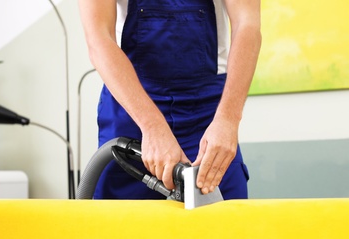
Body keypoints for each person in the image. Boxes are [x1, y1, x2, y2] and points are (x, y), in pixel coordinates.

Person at [78, 0, 261, 200]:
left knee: (223, 224)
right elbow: (99, 38)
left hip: (208, 116)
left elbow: (247, 25)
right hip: (131, 112)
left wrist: (228, 119)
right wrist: (152, 126)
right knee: (119, 225)